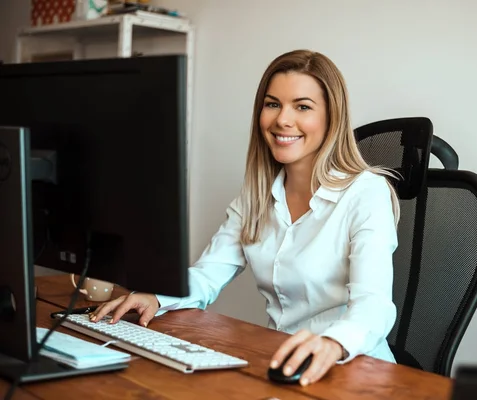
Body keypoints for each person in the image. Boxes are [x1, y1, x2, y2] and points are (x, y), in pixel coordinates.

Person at [90, 49, 401, 386]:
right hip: (282, 363)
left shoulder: (366, 193)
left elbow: (374, 304)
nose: (283, 119)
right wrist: (155, 296)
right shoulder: (256, 195)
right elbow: (208, 275)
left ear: (331, 118)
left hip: (353, 368)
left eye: (303, 107)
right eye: (272, 104)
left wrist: (334, 343)